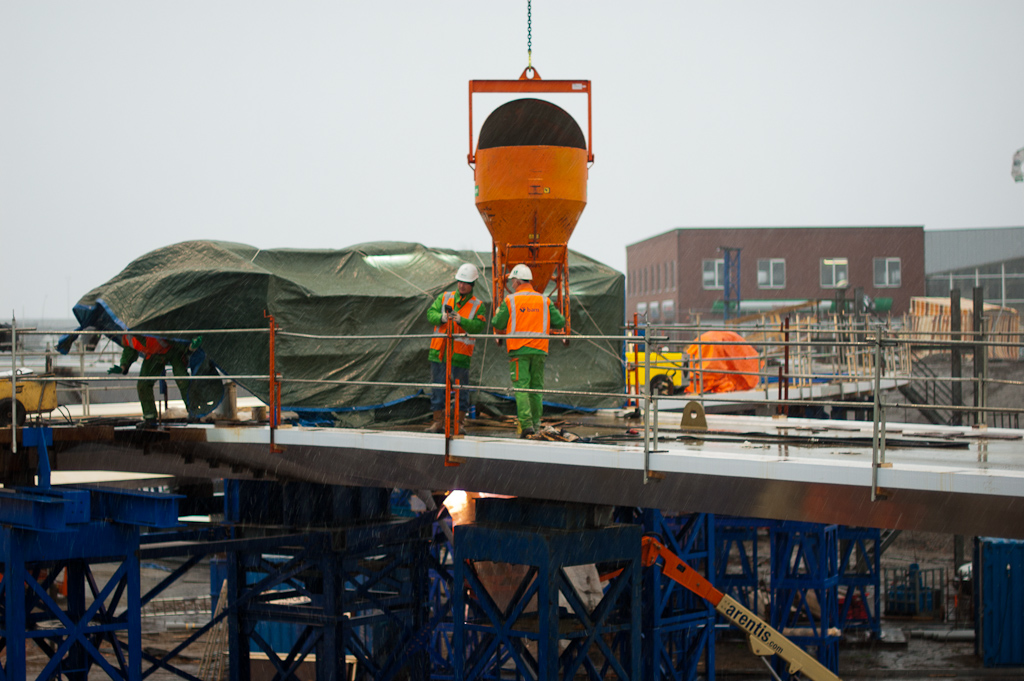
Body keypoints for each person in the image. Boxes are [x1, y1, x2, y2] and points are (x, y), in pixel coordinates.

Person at [490, 264, 566, 438]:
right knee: (536, 389)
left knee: (522, 388)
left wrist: (498, 312)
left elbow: (497, 323)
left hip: (519, 350)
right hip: (540, 350)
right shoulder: (544, 300)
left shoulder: (510, 300)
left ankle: (526, 426)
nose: (512, 285)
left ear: (517, 281)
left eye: (513, 282)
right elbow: (560, 322)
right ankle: (536, 425)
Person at [425, 263, 487, 433]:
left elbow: (478, 327)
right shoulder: (445, 297)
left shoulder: (478, 305)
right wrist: (442, 317)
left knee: (461, 390)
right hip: (439, 352)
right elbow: (430, 314)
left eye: (465, 283)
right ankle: (438, 422)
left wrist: (462, 320)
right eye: (460, 281)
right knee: (438, 388)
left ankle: (458, 424)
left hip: (460, 355)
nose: (461, 285)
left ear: (472, 284)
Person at [108, 334, 198, 427]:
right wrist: (123, 367)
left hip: (173, 351)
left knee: (182, 379)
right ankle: (150, 418)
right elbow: (129, 351)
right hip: (154, 355)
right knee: (143, 384)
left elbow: (173, 338)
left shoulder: (149, 329)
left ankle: (195, 413)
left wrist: (189, 348)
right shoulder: (128, 337)